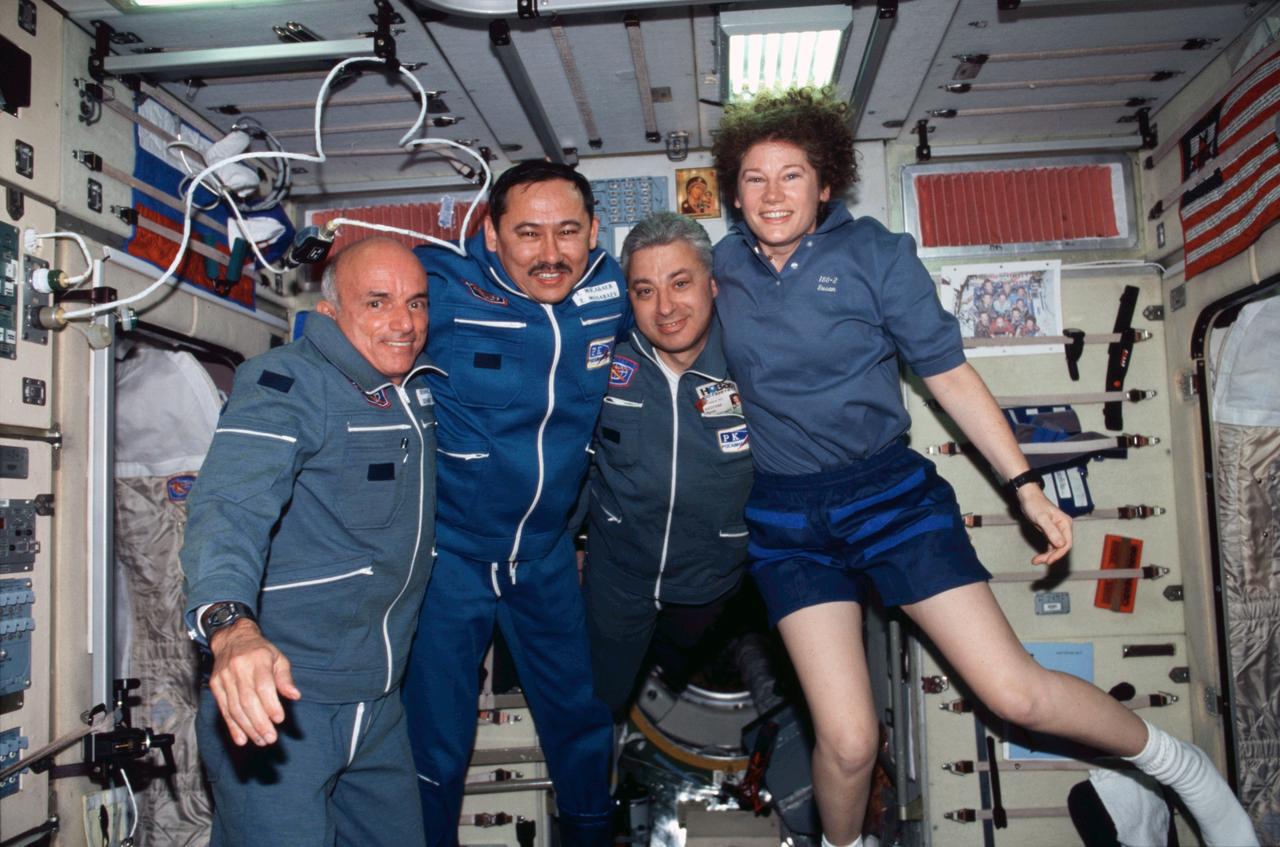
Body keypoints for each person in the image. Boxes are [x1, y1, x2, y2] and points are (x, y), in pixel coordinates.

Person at [709, 88, 1258, 847]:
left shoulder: (875, 254)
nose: (773, 193)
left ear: (826, 182)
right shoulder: (717, 272)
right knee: (848, 742)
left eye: (792, 174)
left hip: (889, 499)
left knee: (1015, 695)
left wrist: (1025, 485)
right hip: (787, 518)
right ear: (734, 192)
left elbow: (950, 377)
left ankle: (1182, 767)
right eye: (756, 178)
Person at [180, 237, 438, 846]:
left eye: (417, 303)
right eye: (377, 303)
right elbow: (229, 505)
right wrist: (230, 626)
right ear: (329, 313)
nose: (404, 323)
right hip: (283, 702)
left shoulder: (410, 389)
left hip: (378, 703)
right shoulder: (284, 382)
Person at [403, 161, 627, 847]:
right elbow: (347, 333)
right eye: (528, 233)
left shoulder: (612, 290)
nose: (551, 253)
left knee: (582, 723)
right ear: (492, 234)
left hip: (546, 553)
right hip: (451, 556)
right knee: (434, 740)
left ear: (593, 231)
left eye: (568, 232)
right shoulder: (436, 287)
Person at [582, 212, 753, 718]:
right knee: (601, 703)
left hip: (713, 583)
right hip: (618, 579)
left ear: (713, 284)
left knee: (679, 661)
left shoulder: (754, 361)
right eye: (644, 290)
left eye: (681, 283)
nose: (666, 308)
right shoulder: (602, 362)